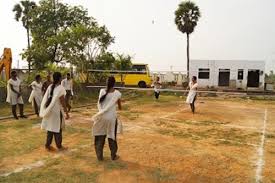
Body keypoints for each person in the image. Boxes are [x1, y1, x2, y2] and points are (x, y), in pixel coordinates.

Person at [92, 76, 122, 161]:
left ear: (106, 83)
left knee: (99, 136)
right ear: (114, 83)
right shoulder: (117, 93)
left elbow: (99, 104)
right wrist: (118, 103)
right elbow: (120, 107)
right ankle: (113, 156)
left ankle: (99, 156)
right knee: (111, 136)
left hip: (101, 117)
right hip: (111, 118)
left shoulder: (102, 91)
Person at [40, 72, 70, 152]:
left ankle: (47, 145)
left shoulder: (50, 86)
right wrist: (66, 112)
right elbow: (63, 101)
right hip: (56, 111)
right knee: (57, 128)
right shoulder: (60, 88)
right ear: (60, 78)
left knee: (50, 128)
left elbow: (47, 98)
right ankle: (59, 146)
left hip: (49, 110)